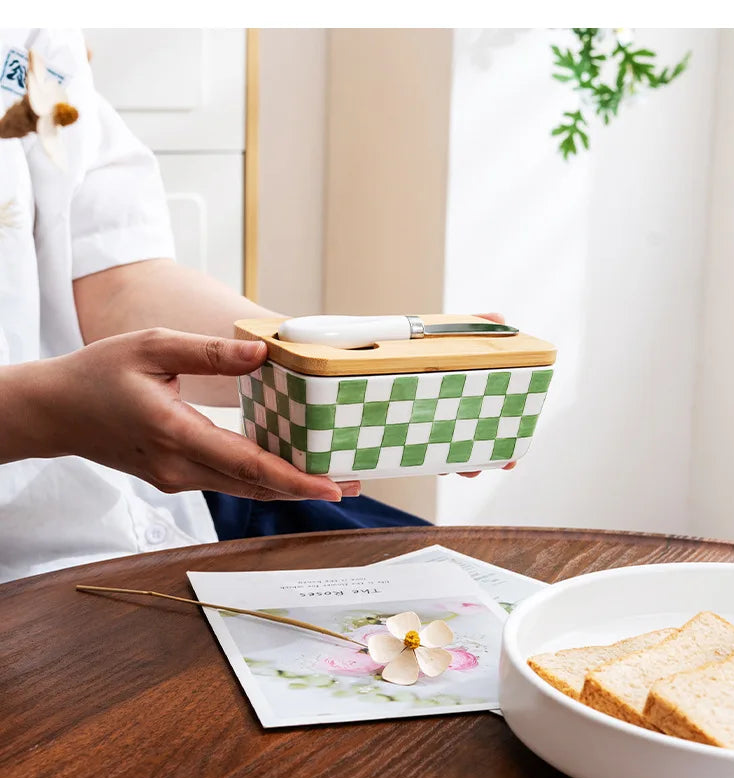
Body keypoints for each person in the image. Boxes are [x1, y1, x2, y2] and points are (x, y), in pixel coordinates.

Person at [0, 29, 503, 584]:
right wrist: (46, 414)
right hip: (21, 563)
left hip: (161, 508)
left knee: (481, 592)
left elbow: (112, 277)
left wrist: (317, 364)